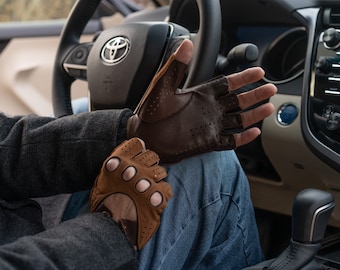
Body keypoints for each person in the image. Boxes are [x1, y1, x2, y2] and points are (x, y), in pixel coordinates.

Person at [0, 39, 277, 269]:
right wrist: (113, 231)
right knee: (210, 167)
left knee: (85, 108)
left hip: (21, 221)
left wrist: (129, 131)